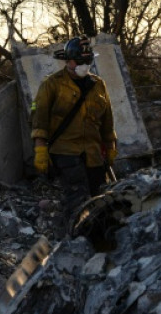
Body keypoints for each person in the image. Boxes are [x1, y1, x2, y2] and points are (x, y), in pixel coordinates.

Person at [30, 36, 117, 231]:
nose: (84, 65)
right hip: (66, 152)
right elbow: (39, 121)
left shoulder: (98, 85)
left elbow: (107, 121)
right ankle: (72, 237)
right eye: (79, 61)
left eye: (87, 61)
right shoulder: (51, 85)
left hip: (93, 154)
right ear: (68, 60)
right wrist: (40, 151)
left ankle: (98, 235)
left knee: (99, 198)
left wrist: (110, 148)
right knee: (77, 198)